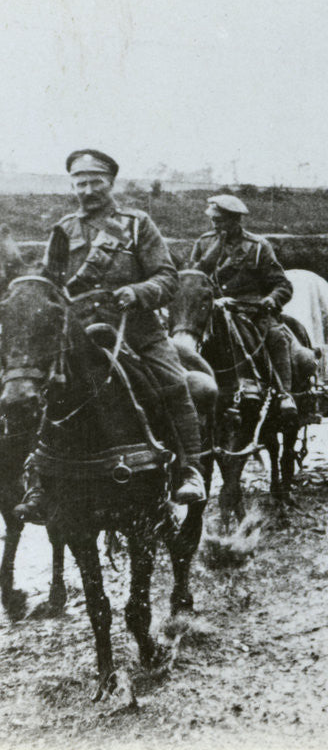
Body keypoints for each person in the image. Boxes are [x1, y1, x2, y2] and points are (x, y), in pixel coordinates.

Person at [16, 149, 207, 521]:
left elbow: (168, 278)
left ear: (111, 183)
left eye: (95, 182)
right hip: (80, 334)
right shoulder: (64, 229)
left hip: (136, 331)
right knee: (30, 386)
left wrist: (138, 293)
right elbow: (49, 283)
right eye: (80, 182)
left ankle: (190, 470)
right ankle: (38, 481)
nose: (87, 190)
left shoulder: (137, 224)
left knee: (173, 384)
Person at [188, 194, 299, 424]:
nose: (215, 225)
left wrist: (271, 300)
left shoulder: (258, 247)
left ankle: (284, 392)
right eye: (213, 220)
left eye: (220, 220)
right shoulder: (204, 243)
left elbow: (282, 284)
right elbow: (192, 280)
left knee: (276, 337)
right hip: (213, 311)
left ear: (235, 220)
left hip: (251, 311)